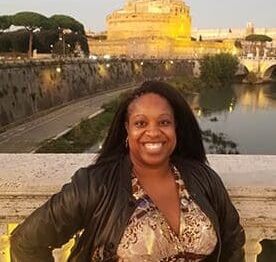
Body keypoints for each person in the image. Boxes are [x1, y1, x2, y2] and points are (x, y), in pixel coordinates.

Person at [10, 81, 245, 261]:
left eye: (163, 122)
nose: (153, 133)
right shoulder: (95, 184)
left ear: (176, 128)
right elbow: (26, 243)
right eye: (141, 123)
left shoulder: (202, 177)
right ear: (127, 129)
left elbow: (233, 242)